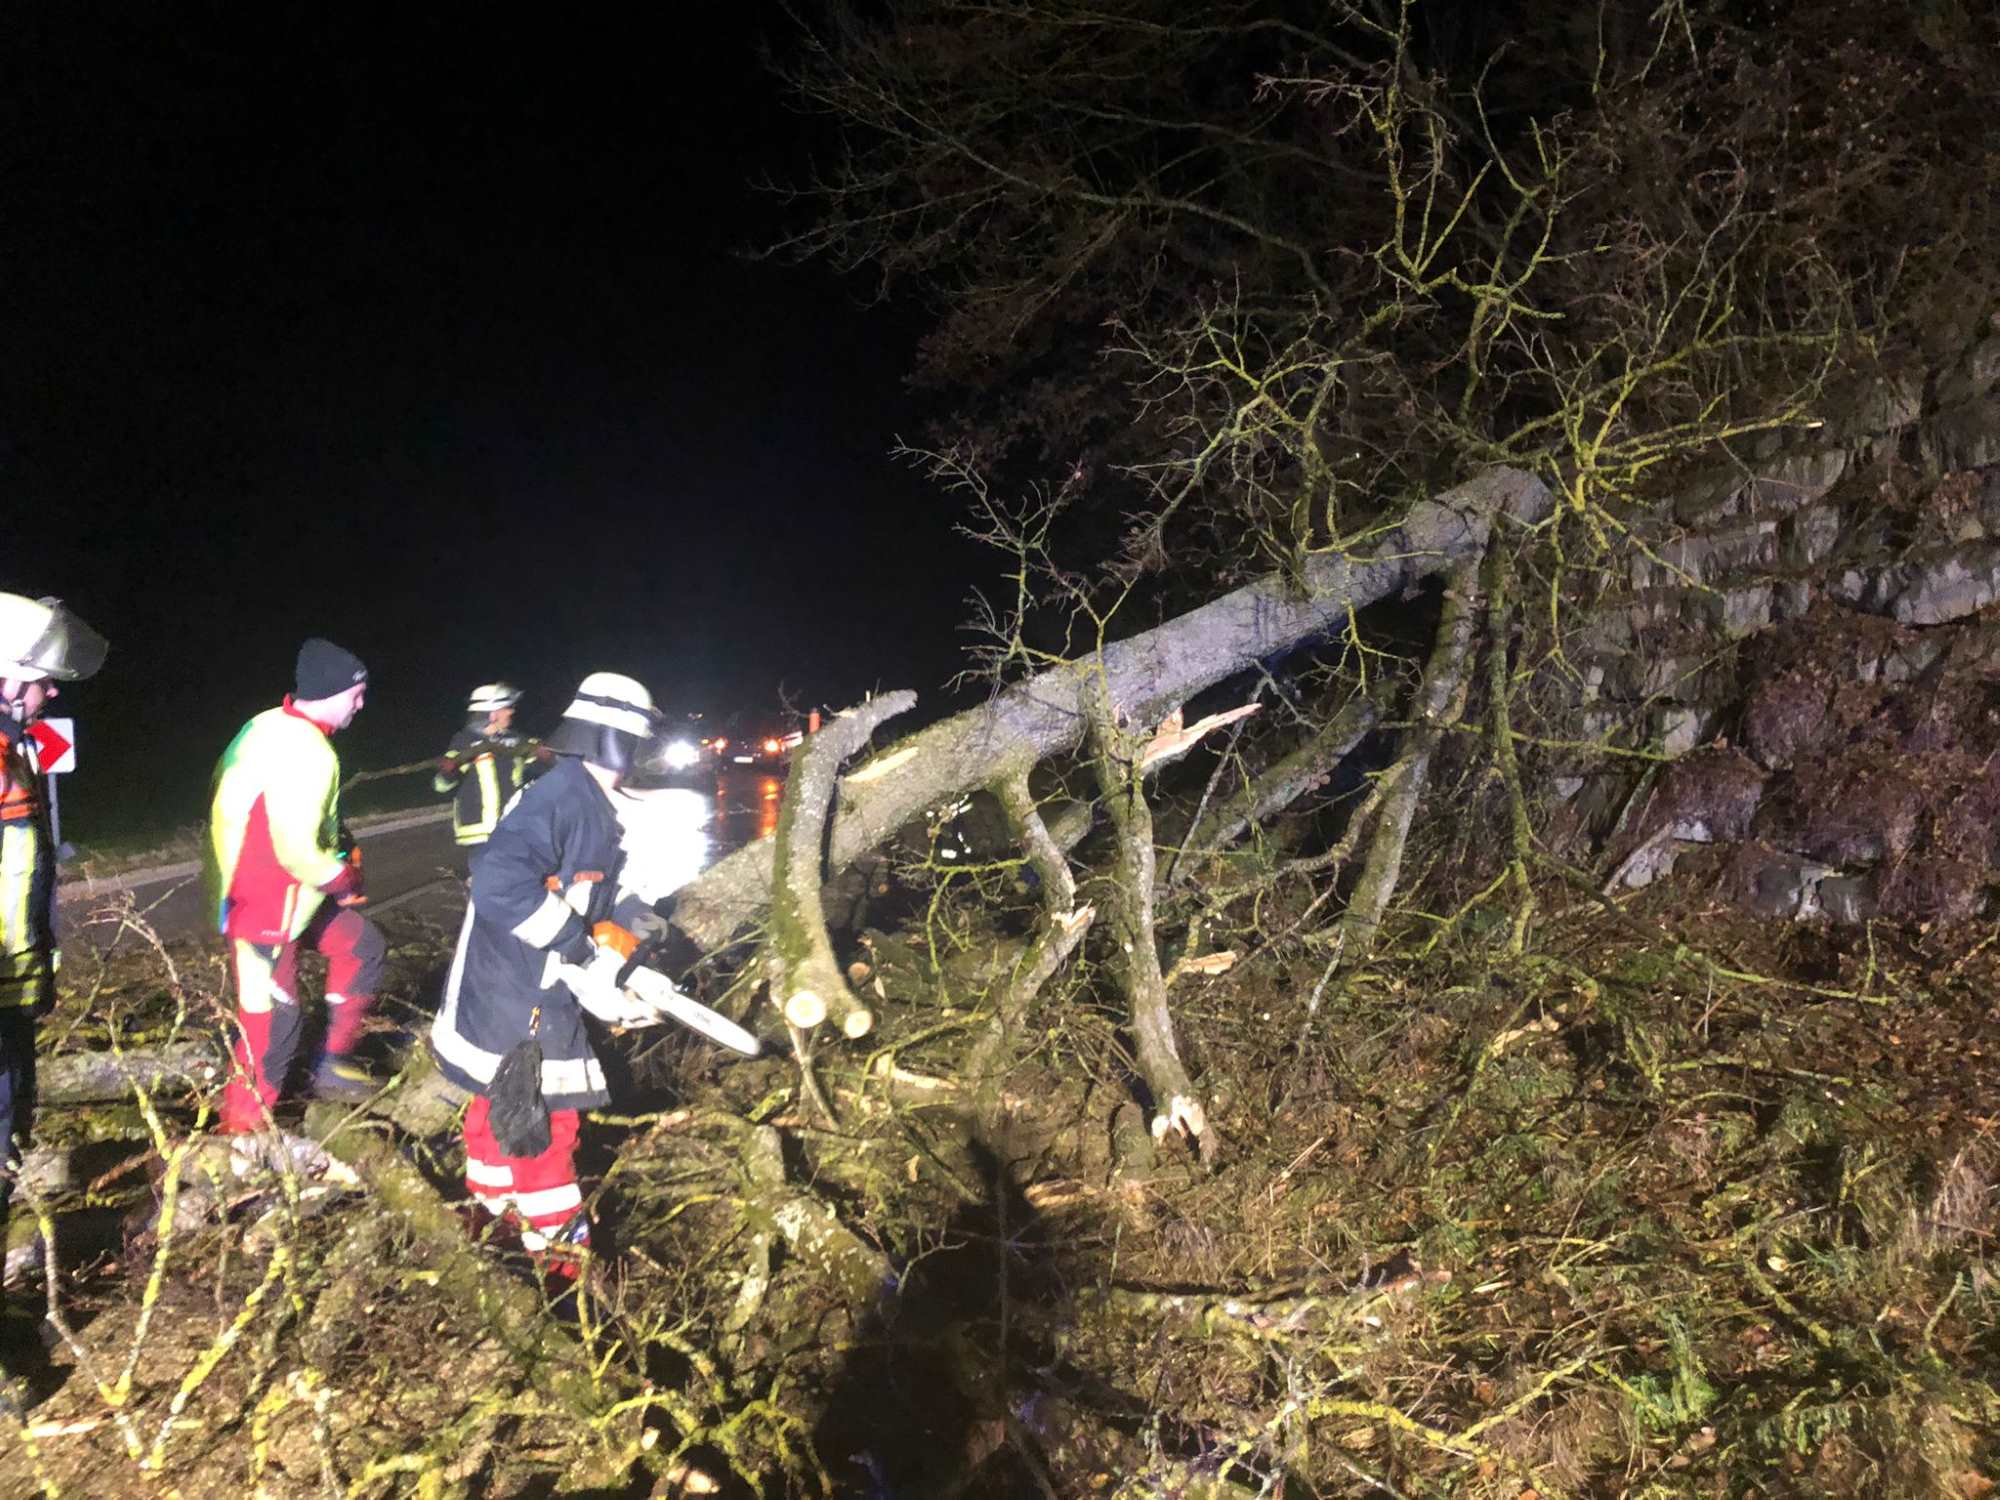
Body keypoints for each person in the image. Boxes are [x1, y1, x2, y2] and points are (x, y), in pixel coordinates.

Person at [430, 671, 670, 1269]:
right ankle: (564, 1271)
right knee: (545, 1134)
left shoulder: (583, 797)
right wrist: (584, 949)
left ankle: (490, 1227)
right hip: (522, 1001)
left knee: (493, 1113)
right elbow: (499, 884)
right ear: (621, 740)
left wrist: (634, 939)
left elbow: (598, 891)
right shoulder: (563, 799)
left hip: (506, 991)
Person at [205, 638, 387, 1132]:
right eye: (357, 694)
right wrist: (342, 876)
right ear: (333, 692)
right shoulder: (310, 752)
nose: (361, 705)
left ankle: (332, 1066)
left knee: (362, 946)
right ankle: (240, 1138)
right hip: (264, 909)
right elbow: (295, 850)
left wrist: (336, 845)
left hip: (287, 900)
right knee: (272, 1026)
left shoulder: (264, 725)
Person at [0, 594, 106, 1237]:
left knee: (14, 1121)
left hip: (10, 983)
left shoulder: (18, 753)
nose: (50, 697)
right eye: (41, 684)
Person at [433, 682, 543, 853]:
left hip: (514, 828)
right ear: (492, 714)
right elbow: (441, 787)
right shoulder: (464, 741)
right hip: (480, 834)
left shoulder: (519, 741)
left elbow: (538, 772)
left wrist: (544, 757)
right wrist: (448, 772)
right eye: (507, 707)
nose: (512, 711)